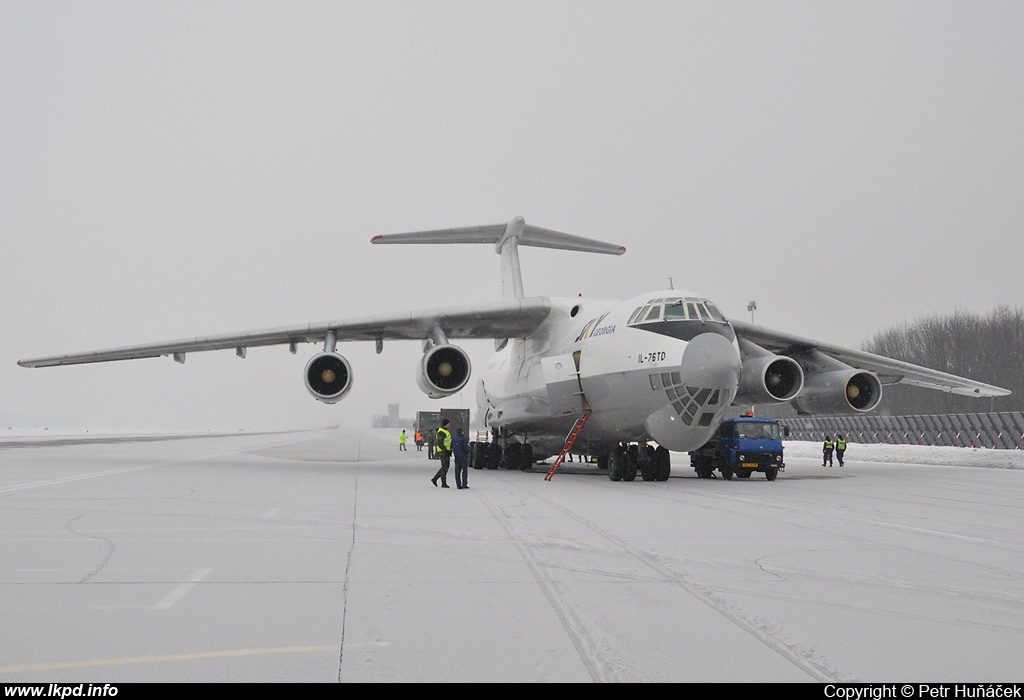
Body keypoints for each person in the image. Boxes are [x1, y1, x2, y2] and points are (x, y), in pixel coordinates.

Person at [431, 419, 453, 487]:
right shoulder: (442, 432)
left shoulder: (446, 431)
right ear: (445, 424)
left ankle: (435, 478)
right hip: (443, 452)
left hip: (446, 451)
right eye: (449, 424)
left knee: (445, 466)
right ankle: (443, 482)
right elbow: (440, 443)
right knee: (444, 467)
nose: (449, 425)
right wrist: (446, 450)